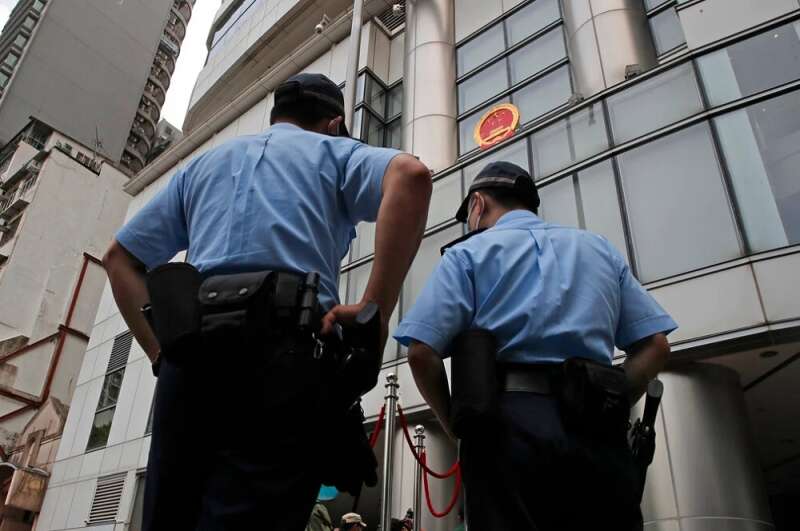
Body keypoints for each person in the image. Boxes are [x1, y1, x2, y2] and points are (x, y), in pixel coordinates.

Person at [103, 73, 432, 530]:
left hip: (190, 360)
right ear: (334, 124)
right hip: (284, 354)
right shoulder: (334, 153)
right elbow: (411, 176)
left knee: (171, 517)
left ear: (276, 115)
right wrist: (373, 313)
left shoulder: (204, 166)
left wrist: (161, 353)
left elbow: (119, 260)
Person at [394, 161, 677, 530]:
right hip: (595, 426)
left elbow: (421, 352)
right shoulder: (599, 249)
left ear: (478, 204)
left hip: (505, 427)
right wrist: (612, 401)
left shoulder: (469, 254)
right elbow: (656, 346)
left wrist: (455, 429)